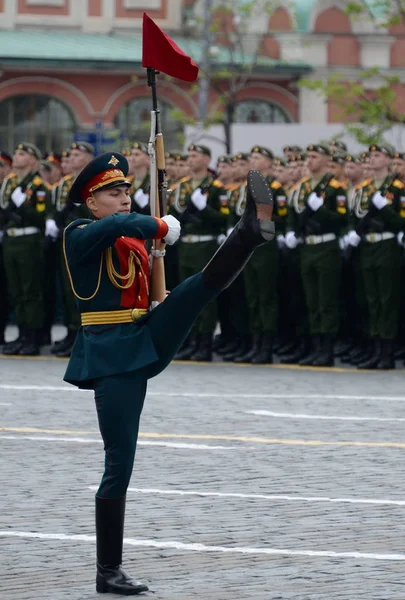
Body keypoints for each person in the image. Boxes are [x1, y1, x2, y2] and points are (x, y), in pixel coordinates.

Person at [62, 151, 275, 595]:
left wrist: (157, 290)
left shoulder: (130, 242)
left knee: (197, 290)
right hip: (111, 357)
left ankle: (249, 233)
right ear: (92, 201)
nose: (124, 199)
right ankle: (108, 571)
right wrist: (160, 225)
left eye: (126, 191)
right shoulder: (79, 234)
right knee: (119, 463)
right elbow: (121, 226)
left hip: (143, 336)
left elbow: (136, 267)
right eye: (113, 193)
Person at [0, 142, 52, 356]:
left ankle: (31, 338)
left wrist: (22, 205)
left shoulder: (39, 185)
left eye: (21, 154)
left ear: (32, 159)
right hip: (11, 241)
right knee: (16, 290)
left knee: (31, 290)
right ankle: (21, 335)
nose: (16, 156)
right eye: (16, 152)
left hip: (29, 240)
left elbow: (40, 218)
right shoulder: (9, 183)